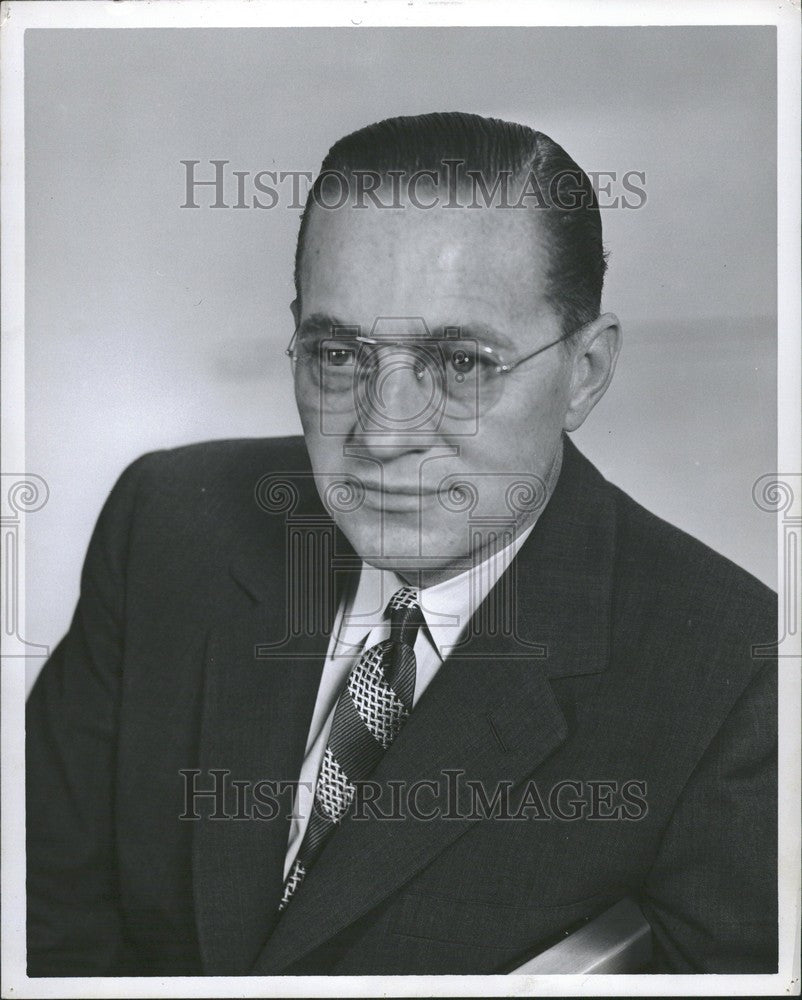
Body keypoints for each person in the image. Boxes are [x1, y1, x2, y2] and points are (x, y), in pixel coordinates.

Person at [26, 112, 777, 976]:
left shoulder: (734, 683)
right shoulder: (167, 524)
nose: (382, 433)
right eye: (338, 353)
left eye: (460, 364)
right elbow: (43, 923)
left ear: (587, 373)